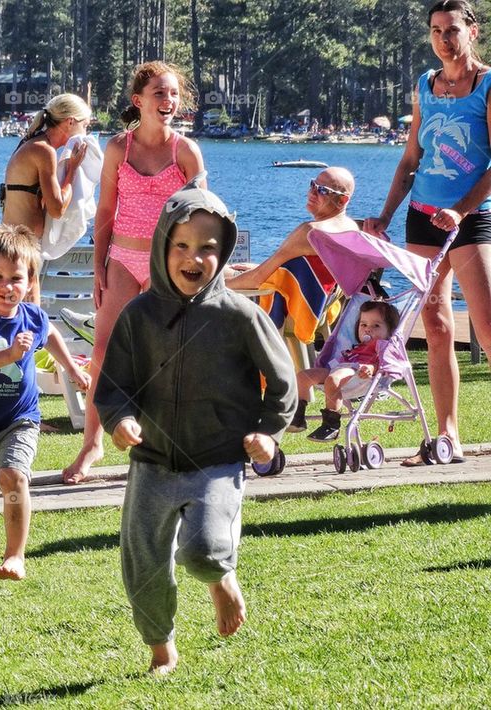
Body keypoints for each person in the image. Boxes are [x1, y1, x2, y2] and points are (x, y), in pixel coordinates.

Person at [94, 187, 296, 674]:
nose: (194, 257)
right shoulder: (138, 315)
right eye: (181, 245)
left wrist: (268, 433)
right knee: (143, 567)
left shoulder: (240, 315)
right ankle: (161, 648)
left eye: (207, 247)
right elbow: (114, 384)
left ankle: (220, 580)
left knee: (204, 552)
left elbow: (284, 381)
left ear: (222, 253)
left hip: (218, 461)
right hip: (152, 464)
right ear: (163, 246)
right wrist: (119, 420)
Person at [63, 60, 206, 484]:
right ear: (138, 101)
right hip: (122, 259)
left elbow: (205, 214)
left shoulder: (186, 150)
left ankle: (170, 443)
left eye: (174, 94)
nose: (168, 101)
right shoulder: (117, 149)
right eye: (160, 94)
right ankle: (92, 443)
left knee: (170, 355)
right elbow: (105, 211)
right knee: (104, 352)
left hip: (168, 265)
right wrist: (98, 267)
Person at [365, 0, 491, 466]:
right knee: (436, 327)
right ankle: (447, 437)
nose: (443, 39)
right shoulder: (425, 85)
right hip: (422, 217)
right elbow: (410, 159)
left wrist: (460, 211)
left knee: (487, 326)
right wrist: (384, 215)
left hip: (471, 220)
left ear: (471, 31)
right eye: (436, 31)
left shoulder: (487, 85)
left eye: (452, 29)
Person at [0, 224, 91, 582]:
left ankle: (16, 555)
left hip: (20, 419)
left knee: (13, 477)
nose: (6, 286)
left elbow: (53, 333)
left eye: (16, 278)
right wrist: (11, 354)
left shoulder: (33, 316)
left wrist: (73, 367)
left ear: (30, 281)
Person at [225, 167, 359, 291]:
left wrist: (211, 290)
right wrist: (262, 268)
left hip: (276, 303)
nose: (312, 193)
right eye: (313, 185)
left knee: (213, 275)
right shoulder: (352, 229)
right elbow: (309, 277)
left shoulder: (311, 232)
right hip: (319, 308)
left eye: (322, 190)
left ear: (342, 200)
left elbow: (255, 280)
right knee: (227, 270)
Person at [290, 300, 401, 441]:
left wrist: (371, 368)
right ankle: (298, 416)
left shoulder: (382, 345)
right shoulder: (357, 346)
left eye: (376, 325)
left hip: (358, 372)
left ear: (389, 331)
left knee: (333, 379)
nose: (368, 329)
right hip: (340, 369)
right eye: (363, 325)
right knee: (303, 376)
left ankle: (331, 425)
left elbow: (386, 363)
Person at [0, 93, 91, 244]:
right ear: (70, 122)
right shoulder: (44, 150)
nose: (85, 133)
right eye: (85, 126)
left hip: (14, 242)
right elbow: (57, 209)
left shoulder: (32, 142)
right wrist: (72, 169)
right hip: (20, 247)